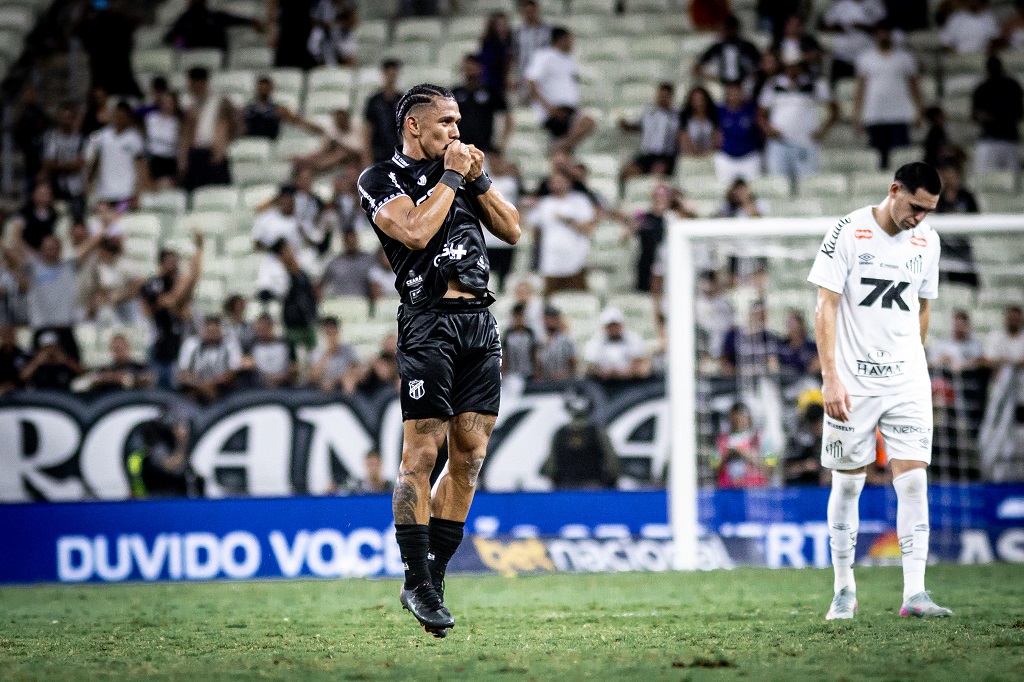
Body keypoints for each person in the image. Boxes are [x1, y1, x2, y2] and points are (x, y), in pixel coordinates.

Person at [356, 83, 521, 636]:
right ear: (414, 127)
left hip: (480, 322)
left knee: (470, 457)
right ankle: (415, 578)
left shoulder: (465, 170)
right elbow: (415, 230)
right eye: (447, 122)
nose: (456, 130)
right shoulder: (381, 179)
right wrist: (452, 176)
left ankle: (433, 577)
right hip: (428, 324)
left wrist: (477, 179)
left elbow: (512, 229)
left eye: (457, 122)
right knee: (421, 455)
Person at [807, 161, 951, 620]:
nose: (919, 218)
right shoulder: (849, 230)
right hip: (854, 382)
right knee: (848, 486)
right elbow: (824, 305)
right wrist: (831, 376)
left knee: (914, 481)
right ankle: (843, 590)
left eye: (928, 211)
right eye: (915, 207)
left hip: (906, 378)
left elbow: (922, 305)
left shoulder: (928, 240)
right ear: (894, 190)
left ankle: (915, 594)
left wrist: (914, 358)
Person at [758, 46, 838, 179]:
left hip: (805, 143)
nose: (792, 69)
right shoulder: (773, 85)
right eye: (789, 66)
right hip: (779, 144)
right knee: (777, 183)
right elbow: (760, 114)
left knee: (808, 183)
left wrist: (823, 130)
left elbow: (835, 110)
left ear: (801, 66)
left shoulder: (815, 84)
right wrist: (768, 130)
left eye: (795, 65)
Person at [853, 22, 924, 170]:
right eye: (880, 32)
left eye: (886, 32)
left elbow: (914, 86)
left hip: (899, 115)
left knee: (902, 159)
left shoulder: (904, 58)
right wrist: (857, 116)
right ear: (875, 35)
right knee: (877, 158)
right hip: (874, 115)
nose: (883, 36)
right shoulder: (866, 58)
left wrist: (919, 111)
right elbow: (860, 89)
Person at [140, 234, 205, 389]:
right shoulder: (153, 284)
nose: (174, 265)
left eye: (175, 261)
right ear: (161, 263)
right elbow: (169, 302)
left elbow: (190, 283)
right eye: (170, 261)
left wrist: (199, 249)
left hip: (179, 343)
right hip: (159, 345)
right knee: (159, 389)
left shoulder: (179, 285)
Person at [524, 27, 596, 152]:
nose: (572, 43)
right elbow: (531, 81)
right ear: (560, 40)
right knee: (587, 122)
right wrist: (548, 108)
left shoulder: (570, 60)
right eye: (569, 39)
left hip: (570, 109)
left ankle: (560, 148)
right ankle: (559, 150)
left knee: (587, 124)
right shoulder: (544, 56)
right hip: (554, 111)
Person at [529, 167, 597, 295]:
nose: (557, 185)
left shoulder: (580, 201)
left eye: (561, 181)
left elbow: (588, 229)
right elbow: (532, 226)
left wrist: (568, 221)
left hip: (575, 262)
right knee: (549, 301)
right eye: (554, 181)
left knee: (577, 299)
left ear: (568, 182)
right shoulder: (545, 203)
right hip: (550, 262)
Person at [542, 389, 619, 489]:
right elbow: (612, 462)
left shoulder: (560, 433)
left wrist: (555, 480)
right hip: (593, 486)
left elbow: (551, 466)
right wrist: (612, 481)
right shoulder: (597, 432)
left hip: (566, 487)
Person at [179, 67, 236, 191]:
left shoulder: (219, 101)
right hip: (196, 154)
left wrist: (220, 149)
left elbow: (227, 125)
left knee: (217, 191)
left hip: (214, 152)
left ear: (201, 83)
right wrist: (183, 159)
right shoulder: (189, 105)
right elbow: (186, 134)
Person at [618, 83, 681, 190]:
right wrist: (625, 125)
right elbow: (637, 126)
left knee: (656, 175)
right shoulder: (648, 112)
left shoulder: (676, 116)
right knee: (626, 173)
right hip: (646, 154)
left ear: (671, 97)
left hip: (665, 155)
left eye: (666, 96)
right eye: (661, 95)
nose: (662, 98)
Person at [74, 0, 141, 98]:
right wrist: (86, 8)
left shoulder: (119, 22)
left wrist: (116, 9)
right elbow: (75, 31)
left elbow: (136, 22)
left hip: (123, 79)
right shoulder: (93, 26)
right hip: (101, 82)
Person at [86, 101, 148, 207]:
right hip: (105, 194)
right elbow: (94, 162)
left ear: (128, 118)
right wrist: (89, 185)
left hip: (126, 194)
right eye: (118, 116)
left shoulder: (134, 138)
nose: (120, 119)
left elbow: (140, 166)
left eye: (123, 116)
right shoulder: (101, 136)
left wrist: (139, 192)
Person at [971, 56, 1024, 174]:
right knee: (983, 178)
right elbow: (974, 115)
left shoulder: (1012, 86)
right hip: (989, 139)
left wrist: (1002, 117)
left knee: (1012, 179)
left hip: (1009, 139)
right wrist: (987, 118)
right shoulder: (982, 88)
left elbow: (1020, 113)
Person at [451, 54, 513, 155]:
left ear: (480, 68)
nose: (470, 71)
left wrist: (500, 144)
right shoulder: (454, 93)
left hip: (484, 150)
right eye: (467, 68)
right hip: (459, 149)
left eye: (472, 67)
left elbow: (507, 118)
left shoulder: (491, 92)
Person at [177, 314, 242, 402]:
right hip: (195, 387)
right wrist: (202, 385)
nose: (211, 334)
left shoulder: (231, 344)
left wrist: (211, 384)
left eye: (215, 331)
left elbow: (232, 372)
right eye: (208, 330)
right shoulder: (190, 343)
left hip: (222, 387)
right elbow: (183, 373)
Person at [821, 0, 888, 84]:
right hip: (843, 53)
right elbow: (827, 25)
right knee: (839, 85)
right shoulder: (841, 5)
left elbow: (884, 27)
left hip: (867, 53)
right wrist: (840, 27)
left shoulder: (874, 5)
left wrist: (864, 27)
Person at [42, 102, 87, 222]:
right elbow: (47, 163)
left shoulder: (80, 139)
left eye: (69, 118)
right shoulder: (52, 137)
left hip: (75, 187)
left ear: (74, 119)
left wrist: (58, 165)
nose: (66, 121)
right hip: (56, 185)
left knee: (77, 220)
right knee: (53, 221)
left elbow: (79, 165)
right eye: (63, 117)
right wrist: (69, 165)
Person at [243, 76, 325, 141]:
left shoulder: (278, 109)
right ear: (257, 89)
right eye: (261, 88)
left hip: (268, 142)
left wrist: (318, 130)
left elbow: (298, 121)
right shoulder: (247, 109)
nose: (263, 91)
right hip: (248, 141)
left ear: (271, 89)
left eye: (265, 88)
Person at [164, 0, 261, 52]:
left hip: (216, 53)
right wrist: (180, 45)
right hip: (193, 55)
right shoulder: (184, 19)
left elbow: (236, 20)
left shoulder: (215, 16)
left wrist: (252, 22)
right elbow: (169, 37)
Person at [714, 81, 763, 183]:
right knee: (724, 189)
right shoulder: (719, 110)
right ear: (726, 94)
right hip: (726, 157)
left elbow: (760, 128)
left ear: (742, 93)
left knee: (753, 188)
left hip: (749, 157)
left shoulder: (751, 109)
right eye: (731, 93)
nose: (734, 96)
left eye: (737, 92)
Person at [694, 14, 762, 86]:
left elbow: (760, 64)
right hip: (723, 84)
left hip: (743, 84)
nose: (729, 32)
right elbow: (697, 66)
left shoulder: (747, 46)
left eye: (731, 29)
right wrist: (712, 78)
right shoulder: (717, 47)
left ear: (737, 29)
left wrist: (751, 75)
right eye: (726, 29)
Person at [585, 308, 651, 382]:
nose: (613, 328)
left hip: (631, 382)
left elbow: (641, 364)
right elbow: (591, 366)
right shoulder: (595, 342)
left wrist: (626, 373)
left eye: (615, 325)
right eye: (610, 326)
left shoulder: (634, 339)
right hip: (603, 383)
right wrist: (605, 373)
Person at [716, 402, 771, 488]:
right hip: (728, 492)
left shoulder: (761, 439)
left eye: (742, 416)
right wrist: (728, 455)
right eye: (736, 417)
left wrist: (741, 452)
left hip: (754, 492)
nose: (739, 420)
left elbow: (770, 469)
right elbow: (714, 470)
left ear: (749, 417)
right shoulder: (721, 441)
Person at [720, 300, 781, 376]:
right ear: (749, 315)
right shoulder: (734, 334)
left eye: (763, 316)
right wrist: (738, 372)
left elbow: (773, 362)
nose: (759, 318)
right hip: (737, 380)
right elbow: (724, 362)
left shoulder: (769, 336)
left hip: (761, 379)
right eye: (756, 314)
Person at [239, 313, 297, 388]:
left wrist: (281, 378)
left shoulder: (285, 344)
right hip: (259, 386)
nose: (260, 332)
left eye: (263, 328)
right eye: (258, 329)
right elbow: (247, 366)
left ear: (271, 327)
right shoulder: (250, 347)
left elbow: (294, 367)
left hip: (284, 384)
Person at [363, 60, 403, 164]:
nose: (391, 78)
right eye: (388, 74)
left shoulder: (402, 100)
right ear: (383, 74)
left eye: (393, 74)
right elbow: (368, 130)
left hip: (396, 151)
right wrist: (367, 157)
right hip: (378, 152)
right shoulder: (374, 101)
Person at [307, 316, 361, 393]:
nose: (332, 337)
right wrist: (327, 354)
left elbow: (357, 369)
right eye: (328, 334)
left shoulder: (347, 349)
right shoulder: (316, 352)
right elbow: (312, 377)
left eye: (334, 333)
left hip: (343, 387)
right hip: (323, 390)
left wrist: (337, 380)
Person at [144, 90, 182, 190]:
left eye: (169, 102)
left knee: (167, 188)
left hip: (170, 160)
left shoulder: (178, 122)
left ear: (175, 103)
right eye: (164, 102)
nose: (166, 105)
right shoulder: (151, 118)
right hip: (153, 159)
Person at [320, 229, 376, 298]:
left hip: (362, 301)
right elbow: (322, 284)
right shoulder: (335, 263)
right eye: (349, 242)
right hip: (340, 301)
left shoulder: (369, 260)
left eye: (353, 242)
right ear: (344, 243)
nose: (351, 244)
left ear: (357, 241)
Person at [88, 333, 154, 392]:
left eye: (122, 348)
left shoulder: (139, 367)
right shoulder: (106, 369)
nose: (119, 351)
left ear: (128, 347)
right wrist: (114, 377)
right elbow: (95, 380)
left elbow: (147, 379)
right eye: (116, 349)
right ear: (111, 350)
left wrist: (126, 379)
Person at [512, 0, 551, 93]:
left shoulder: (547, 31)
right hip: (524, 75)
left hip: (543, 76)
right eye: (527, 12)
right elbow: (514, 55)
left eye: (532, 12)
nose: (530, 14)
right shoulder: (518, 32)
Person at [772, 14, 826, 78]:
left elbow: (815, 55)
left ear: (800, 27)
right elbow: (774, 55)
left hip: (803, 74)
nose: (790, 27)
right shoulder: (778, 41)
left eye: (793, 25)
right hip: (782, 73)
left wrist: (797, 57)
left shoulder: (808, 41)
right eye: (789, 24)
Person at [785, 402, 827, 485]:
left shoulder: (824, 439)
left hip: (819, 489)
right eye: (819, 423)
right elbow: (786, 470)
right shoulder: (796, 440)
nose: (821, 426)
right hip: (798, 487)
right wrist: (804, 466)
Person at [268, 0, 317, 69]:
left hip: (305, 28)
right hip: (287, 28)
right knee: (284, 66)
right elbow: (272, 10)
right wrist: (273, 31)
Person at [307, 0, 357, 67]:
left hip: (343, 34)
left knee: (347, 56)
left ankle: (349, 71)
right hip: (326, 35)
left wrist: (337, 24)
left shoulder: (347, 3)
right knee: (315, 43)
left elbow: (352, 22)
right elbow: (313, 20)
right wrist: (325, 25)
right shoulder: (322, 3)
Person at [11, 183, 58, 252]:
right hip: (27, 252)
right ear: (33, 195)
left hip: (46, 254)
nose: (44, 196)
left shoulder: (55, 214)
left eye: (47, 193)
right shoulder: (24, 213)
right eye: (41, 193)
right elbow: (17, 237)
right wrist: (30, 254)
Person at [535, 306, 577, 381]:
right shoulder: (540, 340)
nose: (550, 321)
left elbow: (573, 363)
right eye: (547, 318)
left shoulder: (566, 339)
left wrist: (565, 374)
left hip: (564, 383)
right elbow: (538, 366)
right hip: (546, 383)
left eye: (552, 318)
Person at [677, 86, 720, 158]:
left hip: (709, 156)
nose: (698, 103)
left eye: (701, 99)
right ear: (690, 101)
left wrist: (707, 153)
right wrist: (695, 150)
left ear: (706, 100)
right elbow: (683, 142)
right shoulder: (684, 118)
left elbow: (717, 141)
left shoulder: (713, 119)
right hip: (689, 157)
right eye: (695, 99)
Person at [478, 12, 514, 93]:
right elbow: (489, 63)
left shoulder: (510, 41)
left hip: (506, 81)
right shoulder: (488, 43)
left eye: (504, 24)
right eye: (499, 24)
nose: (502, 27)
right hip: (493, 82)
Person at [778, 309, 819, 378]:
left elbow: (816, 365)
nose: (789, 325)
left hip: (806, 379)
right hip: (787, 381)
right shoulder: (782, 345)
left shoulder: (810, 345)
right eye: (788, 323)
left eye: (792, 322)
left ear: (801, 324)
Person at [501, 302, 537, 379]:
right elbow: (505, 355)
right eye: (516, 316)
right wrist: (503, 373)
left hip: (528, 373)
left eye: (521, 316)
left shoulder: (530, 333)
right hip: (511, 374)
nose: (518, 319)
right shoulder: (508, 334)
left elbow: (534, 354)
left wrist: (536, 372)